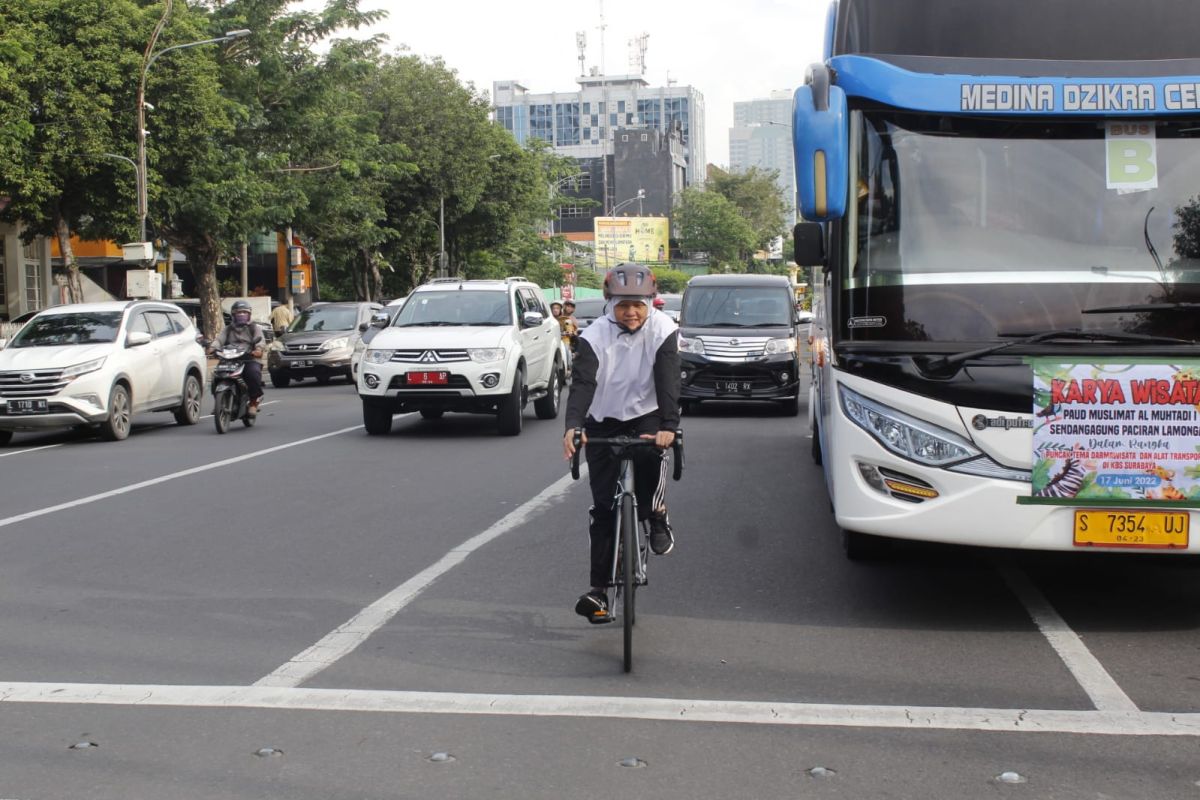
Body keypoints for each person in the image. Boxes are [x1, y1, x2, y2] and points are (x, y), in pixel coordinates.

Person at [562, 263, 680, 624]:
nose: (631, 312)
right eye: (623, 304)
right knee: (602, 510)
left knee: (652, 458)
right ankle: (598, 591)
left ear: (651, 303)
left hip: (646, 413)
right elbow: (582, 383)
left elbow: (668, 380)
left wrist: (669, 427)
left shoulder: (664, 330)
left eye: (639, 305)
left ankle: (657, 515)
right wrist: (573, 426)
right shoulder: (594, 335)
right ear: (608, 301)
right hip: (603, 416)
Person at [211, 299, 265, 416]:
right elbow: (219, 340)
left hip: (248, 358)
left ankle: (253, 403)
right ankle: (219, 402)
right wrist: (212, 348)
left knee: (253, 374)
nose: (241, 315)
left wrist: (258, 350)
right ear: (233, 315)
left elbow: (260, 341)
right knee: (216, 375)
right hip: (229, 358)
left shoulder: (254, 328)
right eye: (238, 313)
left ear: (249, 314)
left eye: (244, 312)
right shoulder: (228, 329)